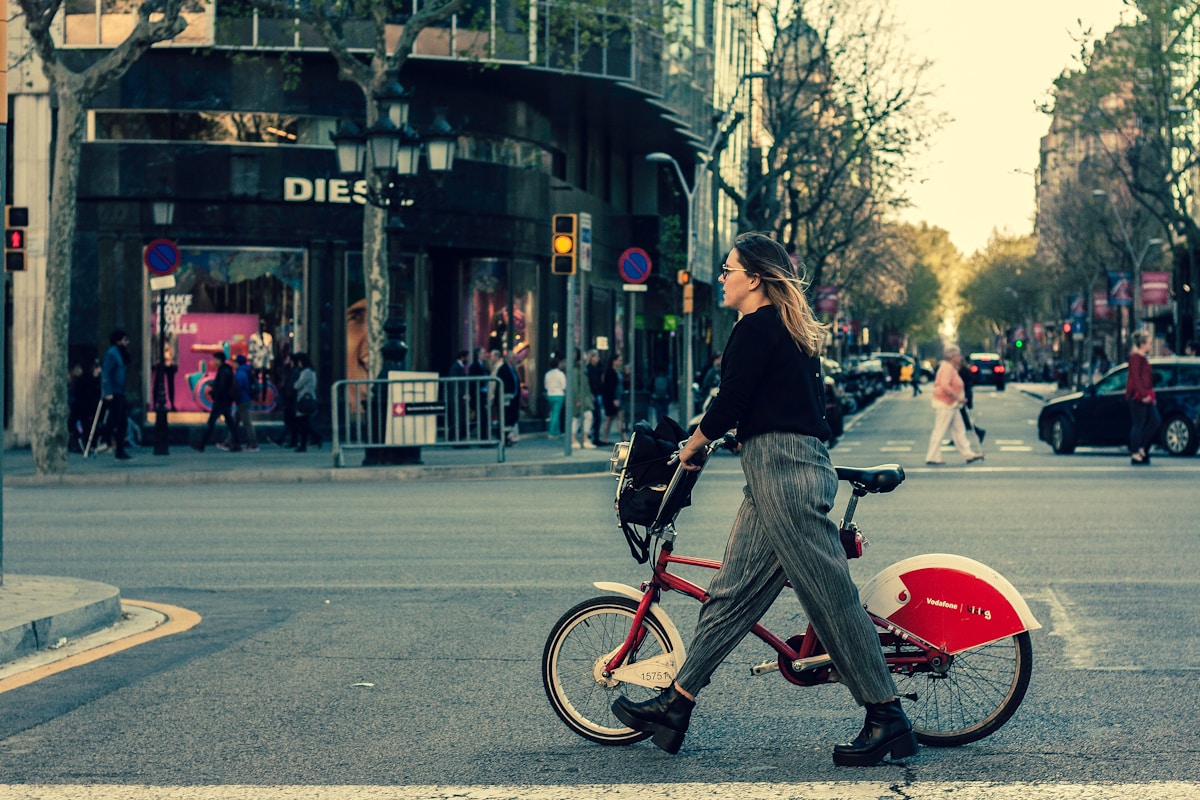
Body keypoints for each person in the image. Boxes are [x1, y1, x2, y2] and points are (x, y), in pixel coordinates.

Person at [610, 232, 917, 767]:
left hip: (785, 475)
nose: (723, 277)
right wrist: (734, 435)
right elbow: (774, 405)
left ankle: (887, 716)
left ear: (753, 278)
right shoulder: (784, 328)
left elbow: (733, 400)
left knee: (829, 595)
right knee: (730, 594)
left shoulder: (756, 326)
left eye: (728, 270)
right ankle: (675, 705)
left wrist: (695, 445)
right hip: (775, 470)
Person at [924, 346, 983, 465]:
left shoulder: (950, 368)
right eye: (958, 355)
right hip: (946, 403)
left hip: (952, 404)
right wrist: (958, 397)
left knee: (959, 430)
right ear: (952, 357)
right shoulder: (947, 368)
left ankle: (968, 454)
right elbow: (944, 385)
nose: (960, 358)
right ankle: (932, 456)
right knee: (940, 430)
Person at [193, 350, 240, 452]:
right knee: (230, 422)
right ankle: (237, 443)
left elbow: (222, 386)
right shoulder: (227, 370)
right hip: (225, 400)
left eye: (215, 359)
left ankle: (202, 444)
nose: (214, 362)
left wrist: (214, 392)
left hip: (221, 401)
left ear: (219, 360)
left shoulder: (223, 371)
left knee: (212, 422)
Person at [1126, 330, 1159, 466]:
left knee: (1155, 421)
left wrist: (1150, 394)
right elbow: (1136, 378)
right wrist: (1143, 395)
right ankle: (1135, 453)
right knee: (1138, 424)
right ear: (1143, 344)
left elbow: (1147, 379)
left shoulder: (1144, 358)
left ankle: (1141, 447)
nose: (1151, 346)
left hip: (1146, 395)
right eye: (1150, 343)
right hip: (1137, 396)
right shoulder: (1135, 358)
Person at [100, 329, 133, 461]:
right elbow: (105, 373)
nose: (127, 343)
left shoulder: (118, 353)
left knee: (122, 422)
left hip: (120, 391)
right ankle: (104, 438)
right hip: (114, 392)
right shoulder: (112, 354)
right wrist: (107, 392)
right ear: (118, 341)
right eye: (125, 340)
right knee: (114, 420)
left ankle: (120, 450)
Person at [293, 352, 321, 452]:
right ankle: (310, 440)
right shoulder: (312, 372)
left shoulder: (306, 372)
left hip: (304, 399)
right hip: (308, 398)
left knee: (302, 423)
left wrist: (295, 384)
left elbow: (297, 385)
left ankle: (313, 438)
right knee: (305, 422)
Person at [494, 349, 521, 445]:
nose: (515, 360)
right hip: (506, 398)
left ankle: (508, 436)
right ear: (508, 359)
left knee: (512, 418)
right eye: (514, 358)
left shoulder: (513, 369)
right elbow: (501, 384)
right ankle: (503, 437)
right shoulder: (503, 369)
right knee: (505, 418)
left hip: (513, 398)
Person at [232, 355, 260, 452]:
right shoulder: (246, 371)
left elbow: (238, 387)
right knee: (235, 422)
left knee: (247, 423)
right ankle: (229, 441)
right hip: (244, 399)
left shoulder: (240, 373)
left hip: (242, 400)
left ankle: (253, 443)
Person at [273, 351, 298, 447]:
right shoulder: (288, 371)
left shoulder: (294, 372)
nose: (286, 360)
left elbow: (292, 387)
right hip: (288, 399)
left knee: (291, 421)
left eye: (288, 359)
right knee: (291, 422)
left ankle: (282, 439)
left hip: (290, 400)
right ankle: (289, 440)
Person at [572, 350, 596, 449]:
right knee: (577, 418)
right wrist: (577, 399)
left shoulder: (582, 369)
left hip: (584, 397)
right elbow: (575, 386)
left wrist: (590, 395)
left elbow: (585, 385)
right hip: (580, 398)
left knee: (583, 417)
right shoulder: (576, 369)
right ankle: (577, 439)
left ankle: (583, 438)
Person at [447, 349, 470, 442]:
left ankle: (458, 436)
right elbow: (455, 383)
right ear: (462, 357)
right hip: (456, 397)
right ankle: (453, 437)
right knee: (457, 417)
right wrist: (463, 394)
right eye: (467, 357)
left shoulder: (460, 367)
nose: (468, 359)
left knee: (460, 417)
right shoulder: (455, 367)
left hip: (460, 397)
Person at [601, 353, 624, 443]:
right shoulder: (610, 372)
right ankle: (605, 437)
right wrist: (614, 399)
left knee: (617, 417)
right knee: (610, 418)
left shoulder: (617, 371)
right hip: (612, 398)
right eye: (619, 360)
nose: (620, 362)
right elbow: (609, 387)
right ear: (614, 361)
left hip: (617, 396)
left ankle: (621, 435)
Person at [586, 349, 606, 446]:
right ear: (591, 357)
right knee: (595, 416)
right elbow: (590, 383)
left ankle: (594, 436)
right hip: (593, 394)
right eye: (596, 356)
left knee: (597, 416)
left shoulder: (598, 368)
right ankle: (592, 436)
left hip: (598, 393)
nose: (598, 358)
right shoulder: (589, 369)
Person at [543, 357, 566, 438]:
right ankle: (552, 432)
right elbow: (564, 386)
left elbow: (545, 385)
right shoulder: (560, 374)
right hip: (559, 394)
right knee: (556, 414)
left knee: (553, 413)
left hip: (550, 394)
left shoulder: (547, 374)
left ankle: (557, 431)